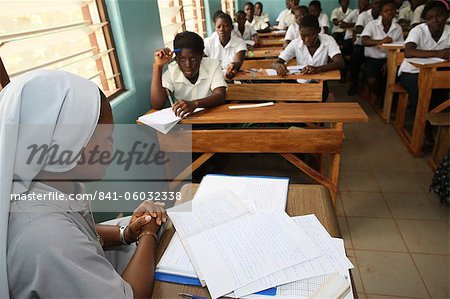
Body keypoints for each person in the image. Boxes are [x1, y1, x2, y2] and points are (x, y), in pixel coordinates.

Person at [2, 70, 167, 298]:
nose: (112, 146)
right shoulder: (45, 233)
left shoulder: (52, 185)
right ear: (68, 142)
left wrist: (125, 233)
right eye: (107, 136)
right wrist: (149, 234)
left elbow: (80, 229)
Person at [398, 0, 450, 133]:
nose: (435, 20)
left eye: (439, 16)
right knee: (421, 92)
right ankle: (420, 129)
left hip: (437, 72)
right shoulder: (419, 30)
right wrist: (439, 53)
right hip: (411, 71)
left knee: (441, 94)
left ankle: (435, 128)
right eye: (429, 18)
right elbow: (409, 52)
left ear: (446, 15)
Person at [151, 31, 227, 117]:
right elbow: (157, 104)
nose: (188, 65)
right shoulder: (172, 71)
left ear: (202, 56)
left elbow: (220, 95)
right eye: (182, 59)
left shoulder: (213, 65)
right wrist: (157, 66)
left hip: (211, 118)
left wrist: (195, 104)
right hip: (185, 124)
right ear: (176, 59)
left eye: (193, 59)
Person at [272, 15, 344, 100]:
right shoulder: (296, 43)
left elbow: (340, 63)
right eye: (303, 36)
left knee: (318, 103)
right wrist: (277, 66)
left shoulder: (328, 40)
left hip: (320, 84)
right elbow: (276, 62)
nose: (307, 39)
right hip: (300, 83)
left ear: (318, 30)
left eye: (311, 35)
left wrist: (317, 69)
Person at [361, 0, 404, 106]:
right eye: (386, 11)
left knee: (394, 78)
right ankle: (380, 95)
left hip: (390, 58)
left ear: (395, 12)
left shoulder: (397, 28)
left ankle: (389, 99)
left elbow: (401, 47)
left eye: (392, 10)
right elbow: (364, 41)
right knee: (372, 80)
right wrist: (380, 41)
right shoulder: (372, 25)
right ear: (381, 13)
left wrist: (388, 62)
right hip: (373, 58)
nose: (389, 13)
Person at [348, 0, 381, 95]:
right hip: (363, 44)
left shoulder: (385, 15)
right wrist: (369, 31)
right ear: (372, 4)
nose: (378, 5)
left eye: (380, 3)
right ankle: (354, 84)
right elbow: (358, 28)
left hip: (379, 47)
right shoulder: (364, 15)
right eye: (376, 3)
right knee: (355, 57)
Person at [204, 13, 247, 79]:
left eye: (226, 26)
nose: (222, 29)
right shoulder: (207, 43)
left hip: (232, 78)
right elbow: (204, 61)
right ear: (215, 28)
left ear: (232, 27)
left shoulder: (240, 42)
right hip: (212, 79)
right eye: (218, 27)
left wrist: (233, 66)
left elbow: (237, 61)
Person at [340, 0, 371, 84]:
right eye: (360, 1)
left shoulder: (370, 14)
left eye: (364, 1)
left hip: (365, 40)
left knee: (356, 57)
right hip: (350, 38)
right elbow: (342, 24)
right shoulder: (355, 12)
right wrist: (355, 25)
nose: (361, 2)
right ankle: (343, 75)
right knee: (344, 52)